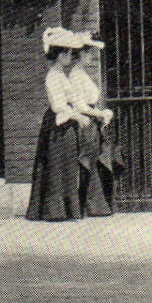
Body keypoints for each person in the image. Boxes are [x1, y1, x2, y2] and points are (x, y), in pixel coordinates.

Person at [26, 27, 96, 221]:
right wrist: (78, 117)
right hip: (59, 125)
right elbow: (58, 106)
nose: (70, 56)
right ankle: (55, 211)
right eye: (67, 53)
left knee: (67, 165)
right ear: (60, 55)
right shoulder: (52, 77)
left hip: (67, 125)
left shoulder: (61, 74)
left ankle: (66, 210)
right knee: (57, 165)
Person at [68, 30, 118, 216]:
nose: (91, 57)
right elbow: (79, 105)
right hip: (87, 122)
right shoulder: (75, 74)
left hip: (92, 121)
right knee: (88, 162)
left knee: (94, 162)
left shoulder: (81, 73)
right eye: (89, 53)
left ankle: (96, 206)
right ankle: (88, 207)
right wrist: (99, 113)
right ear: (81, 53)